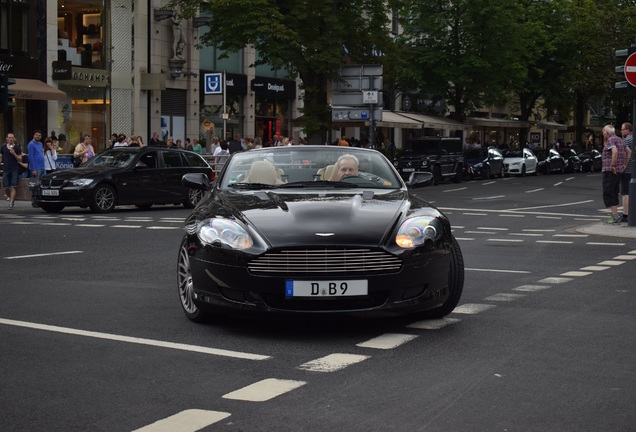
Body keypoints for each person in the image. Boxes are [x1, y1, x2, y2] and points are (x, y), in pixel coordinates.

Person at [601, 124, 628, 224]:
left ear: (607, 133)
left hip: (610, 170)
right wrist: (624, 164)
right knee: (615, 191)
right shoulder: (620, 139)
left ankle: (615, 216)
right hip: (619, 170)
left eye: (603, 131)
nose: (603, 133)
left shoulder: (610, 140)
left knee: (609, 192)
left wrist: (612, 165)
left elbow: (614, 151)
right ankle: (615, 215)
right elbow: (628, 151)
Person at [0, 133, 23, 210]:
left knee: (13, 186)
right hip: (6, 168)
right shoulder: (3, 147)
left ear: (14, 139)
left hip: (14, 169)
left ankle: (11, 203)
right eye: (9, 137)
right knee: (6, 187)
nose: (11, 139)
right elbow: (1, 157)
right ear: (7, 139)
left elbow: (20, 159)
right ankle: (10, 198)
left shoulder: (17, 148)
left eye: (12, 137)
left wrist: (14, 153)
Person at [620, 122, 633, 222]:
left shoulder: (626, 140)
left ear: (628, 130)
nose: (621, 131)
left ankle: (625, 215)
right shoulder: (634, 138)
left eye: (622, 129)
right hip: (634, 170)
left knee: (625, 193)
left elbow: (626, 152)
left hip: (628, 170)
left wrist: (624, 165)